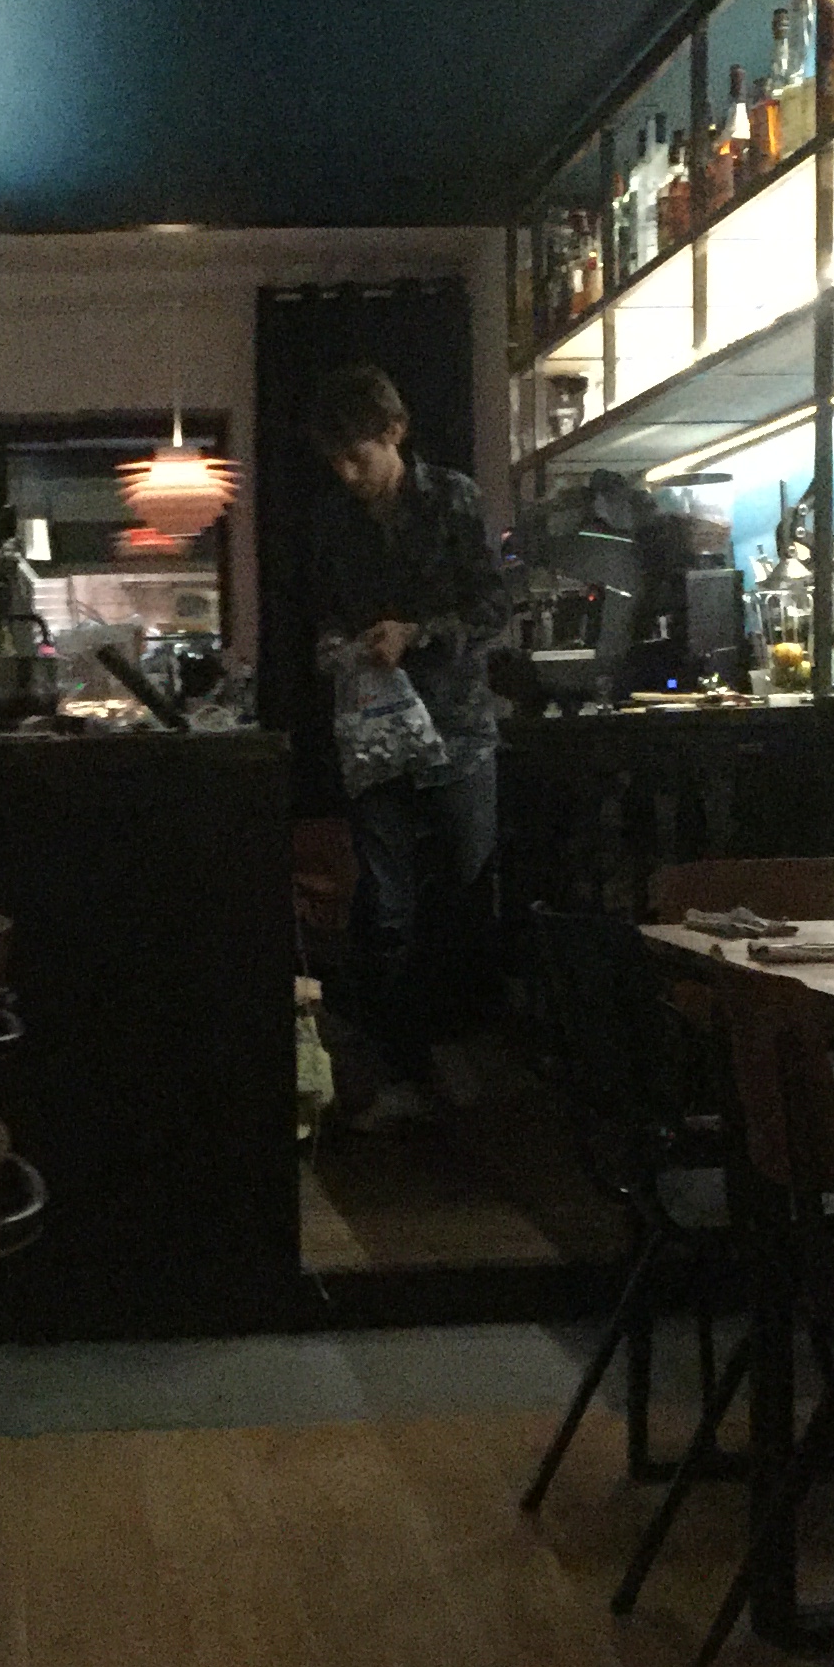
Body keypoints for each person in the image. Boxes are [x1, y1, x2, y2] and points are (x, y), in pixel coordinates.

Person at [301, 362, 506, 1130]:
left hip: (457, 730)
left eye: (357, 456)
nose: (346, 474)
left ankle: (457, 1061)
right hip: (374, 735)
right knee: (383, 910)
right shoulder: (333, 521)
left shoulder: (453, 497)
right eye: (335, 461)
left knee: (461, 896)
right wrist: (336, 646)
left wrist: (416, 633)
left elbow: (494, 608)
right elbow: (325, 613)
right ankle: (395, 1069)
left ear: (395, 432)